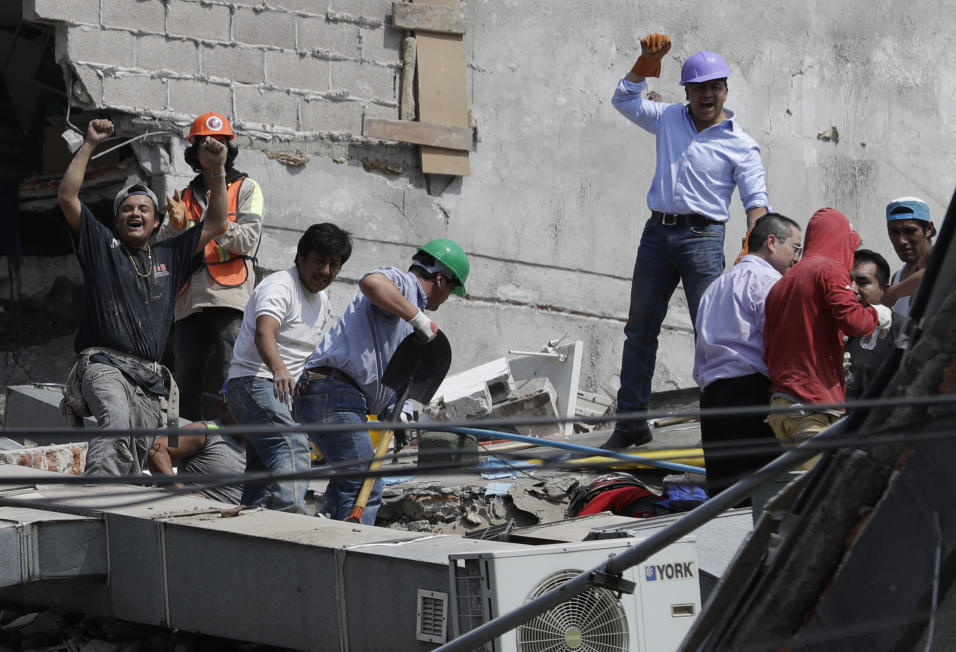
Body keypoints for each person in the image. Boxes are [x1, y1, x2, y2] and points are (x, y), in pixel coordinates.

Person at [605, 34, 770, 450]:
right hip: (657, 234)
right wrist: (644, 63)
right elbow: (624, 100)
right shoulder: (669, 119)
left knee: (713, 335)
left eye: (715, 86)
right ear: (688, 92)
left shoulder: (741, 145)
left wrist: (755, 251)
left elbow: (756, 204)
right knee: (640, 329)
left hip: (703, 239)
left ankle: (720, 431)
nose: (707, 95)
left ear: (725, 91)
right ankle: (630, 425)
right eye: (699, 87)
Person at [57, 119, 227, 477]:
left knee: (137, 455)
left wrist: (217, 170)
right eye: (127, 209)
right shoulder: (104, 246)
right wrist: (89, 144)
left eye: (143, 209)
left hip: (149, 380)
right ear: (117, 222)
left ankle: (117, 516)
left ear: (155, 222)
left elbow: (215, 223)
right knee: (115, 420)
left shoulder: (170, 255)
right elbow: (67, 197)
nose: (135, 213)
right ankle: (98, 499)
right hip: (105, 364)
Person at [294, 239, 469, 525]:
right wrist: (420, 320)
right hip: (334, 392)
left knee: (345, 487)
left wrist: (396, 411)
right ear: (440, 280)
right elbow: (372, 283)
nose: (447, 297)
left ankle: (324, 545)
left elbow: (382, 367)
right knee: (367, 484)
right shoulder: (405, 286)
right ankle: (350, 558)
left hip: (331, 393)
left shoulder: (403, 313)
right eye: (451, 289)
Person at [226, 223, 353, 513]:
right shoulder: (280, 286)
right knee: (293, 447)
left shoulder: (323, 300)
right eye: (320, 261)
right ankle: (290, 523)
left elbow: (309, 353)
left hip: (277, 392)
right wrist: (279, 368)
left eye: (334, 264)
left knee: (263, 466)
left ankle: (251, 525)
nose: (326, 270)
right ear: (300, 257)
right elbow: (264, 332)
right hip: (254, 382)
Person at [763, 208, 892, 468]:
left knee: (798, 494)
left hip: (782, 406)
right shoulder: (829, 270)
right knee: (814, 496)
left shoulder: (782, 283)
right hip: (810, 410)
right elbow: (855, 322)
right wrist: (877, 315)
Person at [157, 112, 264, 422]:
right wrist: (176, 227)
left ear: (228, 148)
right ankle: (186, 445)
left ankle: (238, 439)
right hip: (189, 301)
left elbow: (248, 241)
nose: (213, 147)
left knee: (235, 370)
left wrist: (210, 225)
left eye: (219, 143)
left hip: (229, 297)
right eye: (205, 143)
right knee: (185, 378)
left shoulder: (247, 188)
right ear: (194, 151)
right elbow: (164, 248)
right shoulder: (185, 196)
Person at [693, 213, 801, 497]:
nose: (797, 258)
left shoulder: (715, 287)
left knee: (722, 496)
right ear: (772, 242)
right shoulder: (769, 282)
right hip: (752, 394)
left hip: (713, 399)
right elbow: (779, 342)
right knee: (760, 494)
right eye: (795, 248)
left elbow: (701, 350)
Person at [146, 388, 245, 504]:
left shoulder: (262, 443)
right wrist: (180, 491)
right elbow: (157, 450)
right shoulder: (204, 431)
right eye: (243, 408)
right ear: (224, 408)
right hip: (200, 517)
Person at [844, 249, 902, 400]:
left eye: (862, 282)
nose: (852, 289)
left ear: (885, 290)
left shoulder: (899, 331)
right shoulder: (827, 324)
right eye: (846, 280)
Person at [881, 197, 935, 317]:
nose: (901, 241)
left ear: (928, 229)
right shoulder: (897, 277)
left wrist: (892, 293)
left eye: (910, 231)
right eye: (894, 232)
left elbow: (934, 274)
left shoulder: (945, 263)